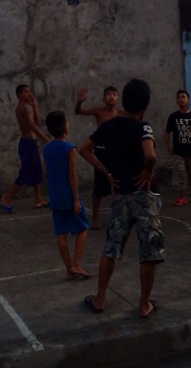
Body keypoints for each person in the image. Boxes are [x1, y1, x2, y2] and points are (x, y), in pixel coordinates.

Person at [79, 78, 165, 318]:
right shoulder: (143, 127)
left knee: (111, 248)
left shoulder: (108, 126)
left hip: (121, 195)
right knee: (148, 251)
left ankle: (99, 299)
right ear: (145, 105)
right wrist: (148, 170)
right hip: (144, 196)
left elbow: (84, 149)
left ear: (124, 101)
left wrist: (107, 172)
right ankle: (144, 304)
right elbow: (150, 155)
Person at [43, 111, 91, 281]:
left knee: (61, 232)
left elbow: (46, 173)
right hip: (68, 194)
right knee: (83, 228)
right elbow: (72, 175)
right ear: (64, 127)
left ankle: (68, 269)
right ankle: (76, 264)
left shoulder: (47, 148)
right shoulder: (70, 148)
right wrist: (76, 198)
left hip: (55, 196)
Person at [0, 84, 50, 212]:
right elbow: (33, 126)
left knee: (37, 171)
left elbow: (37, 122)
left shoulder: (28, 106)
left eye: (29, 91)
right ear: (20, 94)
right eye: (26, 92)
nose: (29, 94)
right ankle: (7, 197)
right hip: (27, 144)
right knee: (26, 172)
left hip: (31, 143)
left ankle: (39, 200)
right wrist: (47, 139)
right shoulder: (23, 107)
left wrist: (35, 106)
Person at [75, 86, 119, 229]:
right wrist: (80, 101)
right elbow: (78, 111)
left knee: (118, 183)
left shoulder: (120, 114)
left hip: (115, 152)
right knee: (99, 187)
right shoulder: (98, 111)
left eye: (114, 94)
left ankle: (119, 214)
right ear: (103, 98)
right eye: (108, 94)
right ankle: (95, 217)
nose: (111, 97)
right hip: (101, 152)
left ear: (117, 98)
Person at [164, 90, 191, 206]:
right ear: (176, 101)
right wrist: (169, 145)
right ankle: (182, 197)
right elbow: (167, 133)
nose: (181, 99)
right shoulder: (173, 117)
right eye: (179, 97)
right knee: (181, 175)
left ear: (188, 100)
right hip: (179, 152)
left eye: (183, 97)